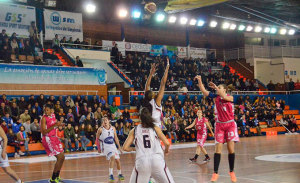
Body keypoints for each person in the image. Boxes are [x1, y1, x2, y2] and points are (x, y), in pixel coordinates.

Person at [195, 75, 239, 182]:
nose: (217, 89)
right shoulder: (216, 98)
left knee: (230, 149)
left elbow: (225, 97)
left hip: (230, 125)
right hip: (220, 125)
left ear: (225, 89)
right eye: (217, 87)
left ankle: (231, 171)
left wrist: (216, 88)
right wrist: (200, 81)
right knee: (217, 150)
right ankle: (215, 173)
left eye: (220, 87)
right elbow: (204, 91)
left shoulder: (230, 97)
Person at [123, 107, 175, 183]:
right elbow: (167, 143)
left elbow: (125, 147)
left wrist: (134, 149)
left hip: (142, 161)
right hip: (157, 160)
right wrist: (166, 151)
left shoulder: (134, 130)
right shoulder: (155, 128)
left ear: (139, 118)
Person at [142, 58, 170, 127]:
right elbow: (163, 83)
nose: (154, 92)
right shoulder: (157, 101)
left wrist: (151, 74)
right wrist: (167, 69)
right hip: (155, 126)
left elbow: (147, 85)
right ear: (152, 96)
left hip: (147, 124)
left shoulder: (146, 99)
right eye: (153, 92)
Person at [96, 116, 124, 182]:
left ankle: (119, 174)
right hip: (106, 147)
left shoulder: (113, 128)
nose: (105, 121)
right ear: (102, 123)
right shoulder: (100, 129)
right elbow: (97, 139)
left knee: (118, 160)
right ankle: (110, 175)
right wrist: (99, 148)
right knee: (113, 157)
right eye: (103, 120)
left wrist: (119, 147)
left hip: (113, 146)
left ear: (109, 121)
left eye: (106, 120)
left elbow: (116, 138)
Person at [41, 104, 65, 183]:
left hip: (55, 137)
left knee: (62, 157)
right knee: (59, 157)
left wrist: (59, 124)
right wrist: (54, 125)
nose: (46, 111)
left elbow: (54, 126)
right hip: (48, 139)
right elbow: (44, 131)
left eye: (47, 110)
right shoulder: (44, 118)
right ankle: (53, 178)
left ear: (52, 110)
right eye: (45, 110)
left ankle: (56, 177)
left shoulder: (53, 115)